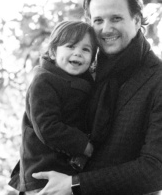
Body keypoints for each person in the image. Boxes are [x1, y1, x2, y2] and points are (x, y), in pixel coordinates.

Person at [32, 0, 162, 195]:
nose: (106, 29)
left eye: (116, 18)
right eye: (98, 21)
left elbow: (157, 170)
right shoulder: (81, 71)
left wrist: (75, 184)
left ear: (137, 20)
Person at [9, 21, 98, 194]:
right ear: (52, 51)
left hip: (65, 171)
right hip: (43, 172)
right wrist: (84, 145)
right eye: (71, 46)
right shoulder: (44, 81)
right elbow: (47, 127)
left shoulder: (85, 83)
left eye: (86, 49)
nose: (78, 53)